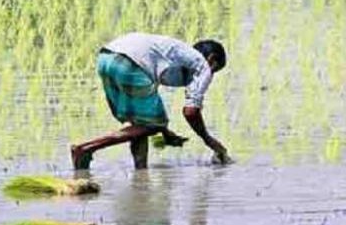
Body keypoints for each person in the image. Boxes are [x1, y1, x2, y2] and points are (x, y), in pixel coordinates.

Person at [70, 32, 230, 170]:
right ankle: (86, 148)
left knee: (141, 122)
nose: (210, 76)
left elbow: (147, 104)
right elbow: (191, 112)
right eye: (214, 71)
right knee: (153, 124)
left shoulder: (178, 56)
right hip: (129, 64)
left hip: (107, 58)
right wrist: (209, 141)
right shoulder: (202, 64)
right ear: (212, 60)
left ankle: (140, 173)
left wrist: (164, 132)